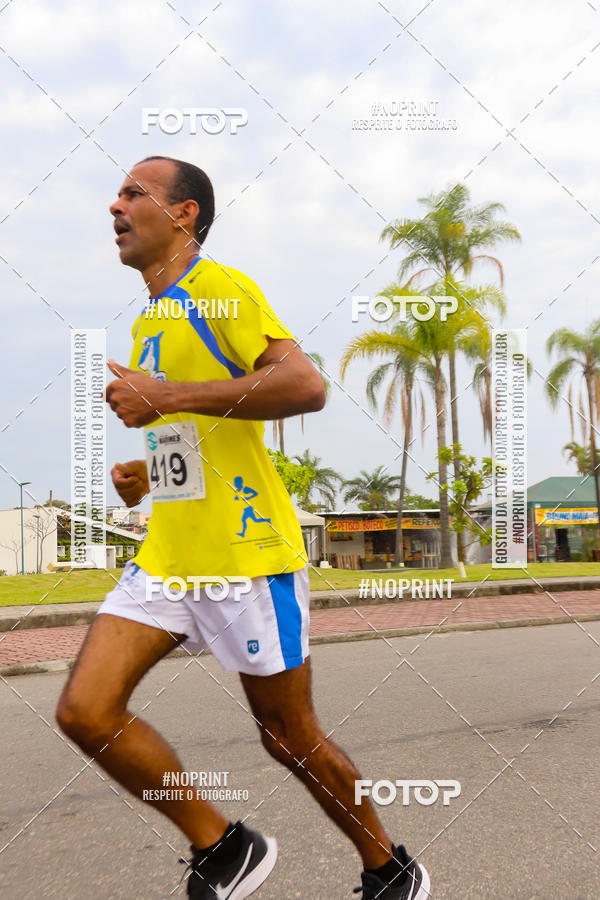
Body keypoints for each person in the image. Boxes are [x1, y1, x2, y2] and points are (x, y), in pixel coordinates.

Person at [55, 156, 430, 900]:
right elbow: (190, 433)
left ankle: (390, 867)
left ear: (184, 214)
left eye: (135, 194)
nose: (115, 206)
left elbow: (305, 384)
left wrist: (167, 396)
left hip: (246, 555)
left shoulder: (218, 291)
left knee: (288, 736)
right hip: (171, 554)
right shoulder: (154, 318)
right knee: (85, 710)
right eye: (118, 194)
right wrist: (144, 473)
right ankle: (224, 848)